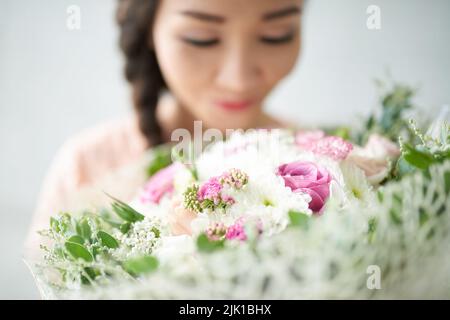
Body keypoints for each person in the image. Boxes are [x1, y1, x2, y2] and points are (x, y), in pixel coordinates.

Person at [25, 0, 304, 251]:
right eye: (202, 39)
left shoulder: (319, 165)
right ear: (148, 30)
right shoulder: (86, 167)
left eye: (276, 35)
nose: (238, 79)